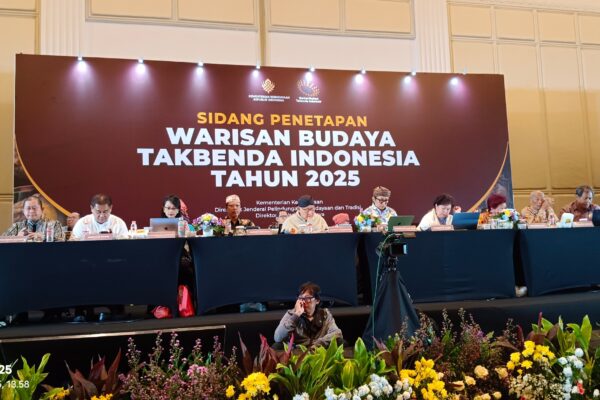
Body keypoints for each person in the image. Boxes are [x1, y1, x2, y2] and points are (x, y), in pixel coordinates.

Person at [274, 282, 342, 350]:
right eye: (300, 298)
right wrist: (296, 315)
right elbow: (278, 338)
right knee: (277, 346)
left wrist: (317, 344)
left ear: (317, 300)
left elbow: (337, 333)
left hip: (318, 349)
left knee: (340, 341)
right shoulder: (291, 314)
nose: (303, 302)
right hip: (297, 351)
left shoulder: (325, 314)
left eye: (307, 298)